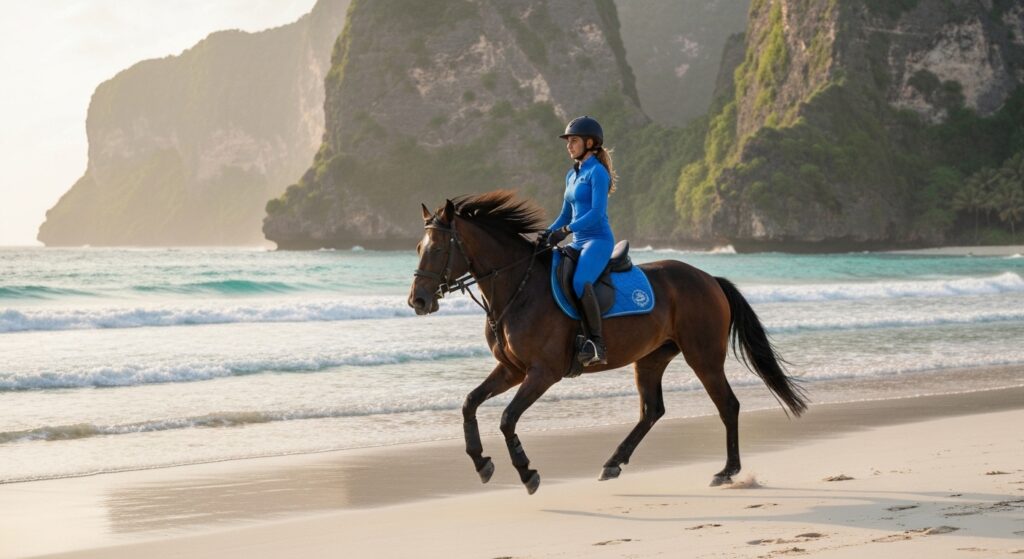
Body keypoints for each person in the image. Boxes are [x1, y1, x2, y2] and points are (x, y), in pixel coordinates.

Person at [539, 115, 617, 366]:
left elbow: (596, 213)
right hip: (577, 241)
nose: (569, 146)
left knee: (581, 280)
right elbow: (565, 214)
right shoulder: (571, 175)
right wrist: (547, 233)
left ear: (590, 143)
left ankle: (596, 344)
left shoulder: (598, 172)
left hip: (598, 240)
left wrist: (566, 230)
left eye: (573, 141)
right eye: (568, 141)